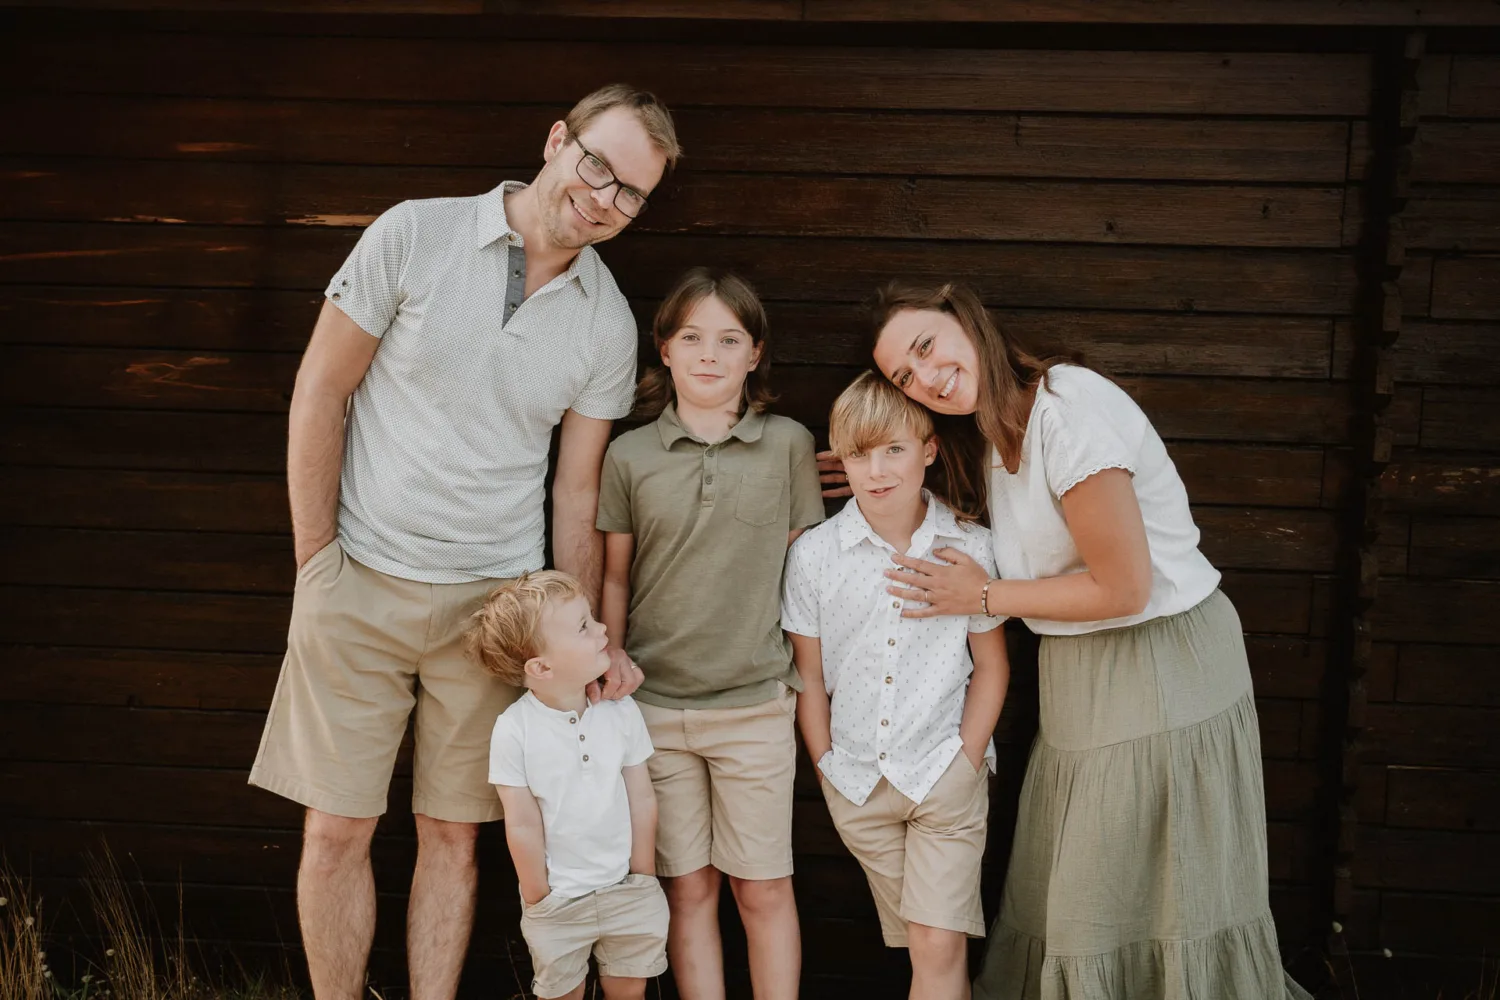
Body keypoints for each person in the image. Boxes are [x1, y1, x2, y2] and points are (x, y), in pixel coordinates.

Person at [247, 85, 680, 1000]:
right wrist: (315, 559)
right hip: (357, 579)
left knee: (455, 833)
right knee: (336, 830)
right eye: (598, 164)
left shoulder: (606, 321)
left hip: (496, 613)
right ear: (557, 140)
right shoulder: (413, 234)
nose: (604, 198)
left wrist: (577, 636)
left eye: (631, 194)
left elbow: (574, 487)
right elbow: (321, 391)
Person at [817, 281, 1313, 999]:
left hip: (1162, 658)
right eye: (904, 376)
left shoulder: (1067, 408)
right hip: (1079, 675)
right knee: (1086, 892)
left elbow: (1124, 588)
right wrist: (869, 466)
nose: (925, 377)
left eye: (925, 347)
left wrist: (982, 597)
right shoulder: (993, 438)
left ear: (963, 315)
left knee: (1163, 891)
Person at [597, 268, 825, 1000]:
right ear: (663, 349)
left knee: (760, 890)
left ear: (754, 355)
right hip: (655, 709)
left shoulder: (788, 444)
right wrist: (611, 666)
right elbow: (615, 580)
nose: (709, 354)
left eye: (729, 339)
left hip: (755, 706)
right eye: (691, 336)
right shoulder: (629, 455)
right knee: (687, 888)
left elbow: (804, 572)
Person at [783, 372, 1010, 1000]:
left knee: (936, 947)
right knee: (930, 950)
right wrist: (825, 761)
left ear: (929, 450)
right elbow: (808, 674)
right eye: (859, 453)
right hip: (856, 783)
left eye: (894, 450)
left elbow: (992, 666)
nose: (877, 469)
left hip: (943, 774)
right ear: (840, 459)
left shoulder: (969, 545)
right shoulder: (816, 555)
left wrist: (965, 758)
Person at [467, 570, 668, 1000]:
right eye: (583, 626)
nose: (602, 630)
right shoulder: (514, 730)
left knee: (629, 990)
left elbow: (641, 796)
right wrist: (539, 897)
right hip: (558, 902)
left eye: (592, 619)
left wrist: (643, 875)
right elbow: (520, 823)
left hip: (625, 889)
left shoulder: (620, 711)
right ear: (541, 667)